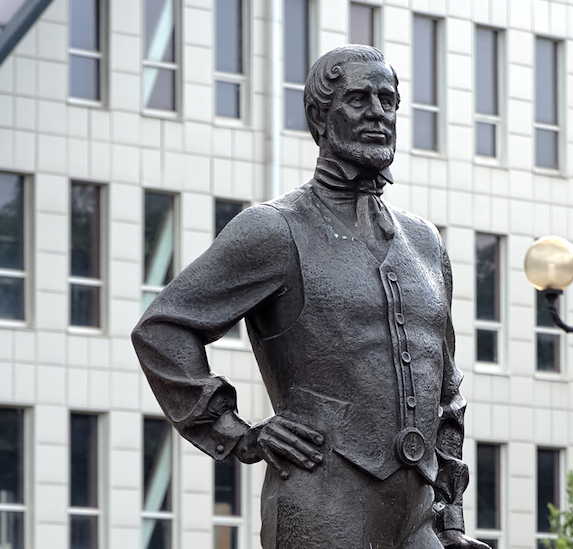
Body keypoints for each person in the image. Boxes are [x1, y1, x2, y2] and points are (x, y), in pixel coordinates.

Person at [132, 45, 488, 549]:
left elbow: (446, 390)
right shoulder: (274, 229)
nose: (378, 113)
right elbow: (163, 329)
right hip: (323, 505)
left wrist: (450, 519)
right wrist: (238, 433)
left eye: (387, 101)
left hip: (418, 517)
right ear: (319, 117)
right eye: (358, 99)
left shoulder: (425, 242)